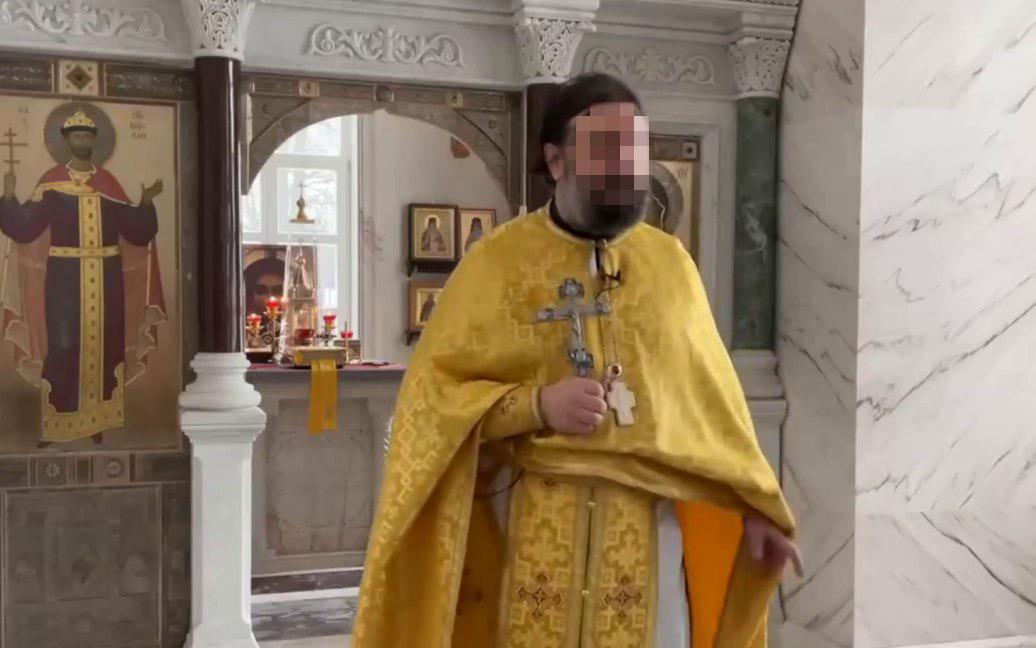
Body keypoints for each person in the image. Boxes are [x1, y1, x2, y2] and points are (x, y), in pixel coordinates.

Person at [356, 73, 800, 648]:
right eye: (606, 147)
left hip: (650, 528)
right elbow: (432, 404)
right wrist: (536, 405)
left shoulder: (670, 266)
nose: (626, 165)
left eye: (635, 147)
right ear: (556, 159)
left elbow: (714, 408)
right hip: (529, 520)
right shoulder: (497, 263)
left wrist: (755, 508)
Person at [0, 109, 165, 446]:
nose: (82, 141)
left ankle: (98, 421)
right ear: (66, 141)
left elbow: (136, 230)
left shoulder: (108, 184)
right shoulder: (51, 184)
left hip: (108, 277)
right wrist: (9, 196)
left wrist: (147, 201)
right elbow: (25, 227)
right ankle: (58, 422)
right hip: (64, 279)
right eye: (76, 135)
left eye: (87, 135)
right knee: (63, 346)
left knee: (106, 344)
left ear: (94, 141)